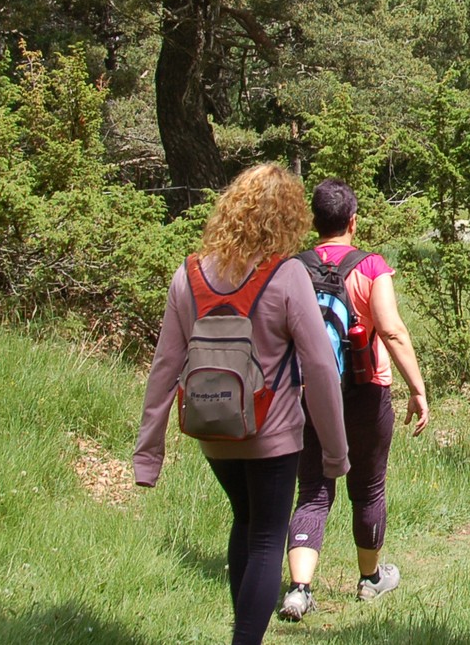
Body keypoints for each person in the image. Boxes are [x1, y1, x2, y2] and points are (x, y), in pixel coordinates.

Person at [135, 164, 348, 645]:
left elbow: (164, 368)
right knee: (269, 536)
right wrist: (336, 454)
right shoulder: (288, 275)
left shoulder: (189, 275)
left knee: (246, 521)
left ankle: (243, 634)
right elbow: (320, 367)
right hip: (273, 435)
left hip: (214, 430)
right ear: (289, 217)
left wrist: (148, 456)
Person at [278, 179, 430, 622]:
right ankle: (369, 579)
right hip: (366, 390)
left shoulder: (293, 268)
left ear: (314, 221)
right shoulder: (371, 266)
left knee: (312, 490)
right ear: (353, 221)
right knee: (367, 487)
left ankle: (299, 590)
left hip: (308, 393)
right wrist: (417, 389)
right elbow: (392, 330)